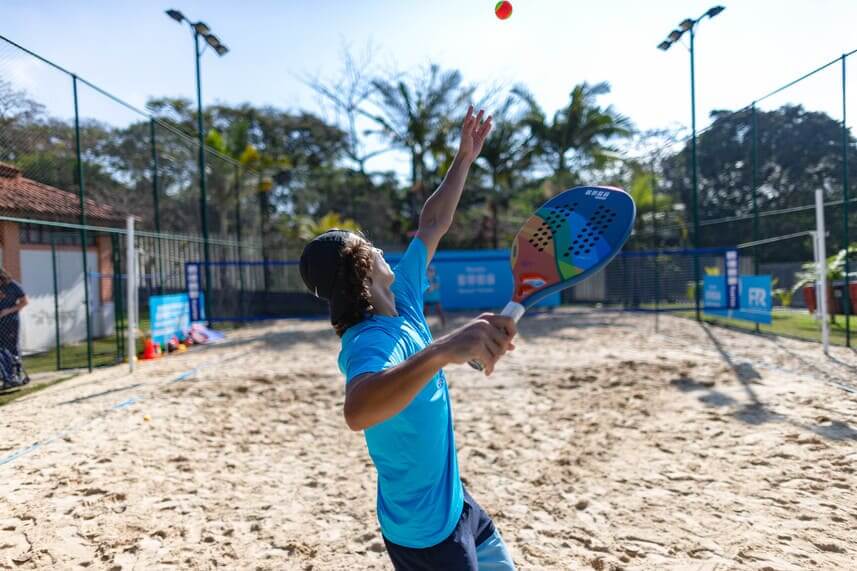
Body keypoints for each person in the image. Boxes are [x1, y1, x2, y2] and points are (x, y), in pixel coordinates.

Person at [299, 107, 518, 570]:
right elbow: (358, 410)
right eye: (370, 247)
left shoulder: (403, 295)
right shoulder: (369, 340)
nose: (380, 249)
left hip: (454, 502)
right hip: (426, 536)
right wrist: (441, 351)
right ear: (363, 269)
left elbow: (432, 224)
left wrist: (463, 159)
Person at [0, 267, 27, 357]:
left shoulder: (13, 286)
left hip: (10, 321)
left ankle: (15, 368)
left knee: (11, 346)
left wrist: (7, 311)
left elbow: (24, 302)